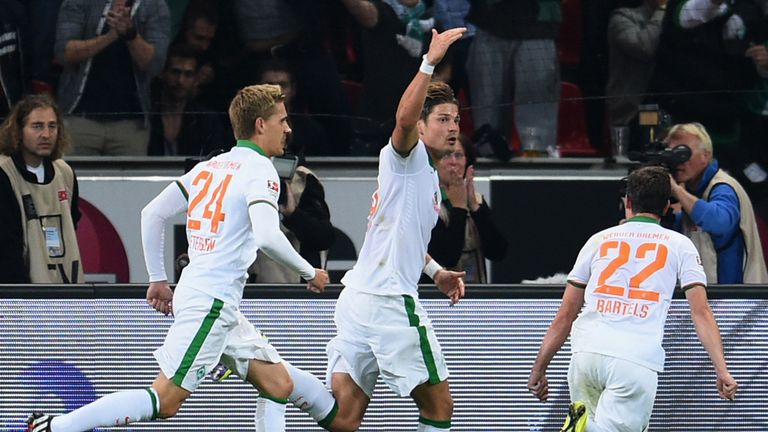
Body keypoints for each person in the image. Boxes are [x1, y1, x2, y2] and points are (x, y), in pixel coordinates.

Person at [26, 84, 330, 432]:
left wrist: (158, 278)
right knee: (165, 401)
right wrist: (310, 272)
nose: (288, 129)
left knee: (278, 384)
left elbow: (152, 213)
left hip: (205, 298)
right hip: (211, 305)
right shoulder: (261, 170)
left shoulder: (210, 167)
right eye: (283, 120)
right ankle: (55, 427)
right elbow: (267, 236)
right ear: (260, 124)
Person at [272, 27, 468, 432]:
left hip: (358, 299)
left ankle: (276, 377)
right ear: (423, 125)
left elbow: (405, 240)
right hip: (389, 303)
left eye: (457, 119)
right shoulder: (407, 157)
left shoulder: (426, 178)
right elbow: (402, 119)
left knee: (344, 419)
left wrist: (436, 272)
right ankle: (271, 374)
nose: (453, 127)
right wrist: (429, 63)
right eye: (443, 119)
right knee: (439, 407)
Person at [528, 165, 739, 432]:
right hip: (634, 359)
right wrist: (721, 369)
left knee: (588, 423)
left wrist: (539, 368)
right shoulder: (679, 245)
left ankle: (581, 427)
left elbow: (565, 315)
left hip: (586, 353)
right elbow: (701, 312)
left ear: (627, 202)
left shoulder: (598, 240)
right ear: (666, 207)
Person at [54, 0, 170, 155]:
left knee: (130, 179)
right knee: (72, 177)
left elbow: (155, 65)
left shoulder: (155, 5)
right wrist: (110, 36)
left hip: (131, 125)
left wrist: (130, 34)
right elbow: (64, 53)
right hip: (79, 118)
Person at [665, 122, 768, 284]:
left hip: (737, 301)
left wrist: (676, 190)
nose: (678, 162)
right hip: (713, 299)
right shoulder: (692, 193)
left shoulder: (723, 187)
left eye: (683, 153)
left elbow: (719, 222)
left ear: (705, 156)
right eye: (672, 155)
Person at [0, 94, 83, 284]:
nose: (46, 134)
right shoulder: (5, 173)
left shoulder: (65, 173)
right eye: (37, 126)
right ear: (18, 131)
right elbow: (5, 243)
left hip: (67, 287)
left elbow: (73, 224)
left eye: (52, 126)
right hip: (18, 291)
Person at [425, 134, 507, 283]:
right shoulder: (426, 203)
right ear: (434, 163)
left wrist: (475, 208)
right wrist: (458, 208)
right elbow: (447, 257)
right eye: (446, 156)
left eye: (459, 155)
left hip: (475, 297)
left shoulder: (477, 200)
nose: (453, 162)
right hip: (436, 297)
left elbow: (498, 252)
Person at [147, 44, 229, 156]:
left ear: (196, 79)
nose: (180, 80)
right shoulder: (148, 115)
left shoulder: (207, 121)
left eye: (188, 74)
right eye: (175, 72)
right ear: (163, 73)